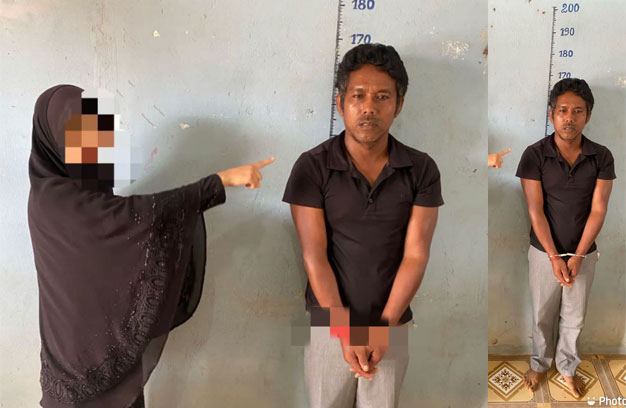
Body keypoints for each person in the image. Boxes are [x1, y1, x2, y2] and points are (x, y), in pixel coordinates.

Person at [27, 84, 274, 407]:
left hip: (101, 354)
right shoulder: (53, 201)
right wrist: (219, 182)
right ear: (54, 138)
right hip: (73, 366)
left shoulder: (86, 195)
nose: (91, 144)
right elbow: (137, 217)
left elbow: (118, 238)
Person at [283, 44, 443, 408]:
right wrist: (344, 331)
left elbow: (416, 255)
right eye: (358, 96)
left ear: (398, 105)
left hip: (392, 321)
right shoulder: (311, 167)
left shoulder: (421, 169)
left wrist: (385, 328)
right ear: (340, 103)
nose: (369, 107)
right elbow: (314, 256)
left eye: (382, 97)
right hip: (327, 321)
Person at [516, 78, 614, 398]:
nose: (569, 118)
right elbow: (535, 211)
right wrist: (554, 256)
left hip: (584, 252)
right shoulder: (534, 155)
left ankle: (567, 368)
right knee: (542, 313)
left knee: (575, 316)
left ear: (588, 116)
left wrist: (579, 255)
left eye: (577, 111)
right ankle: (539, 364)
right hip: (543, 252)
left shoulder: (601, 156)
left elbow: (598, 210)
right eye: (562, 110)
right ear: (551, 114)